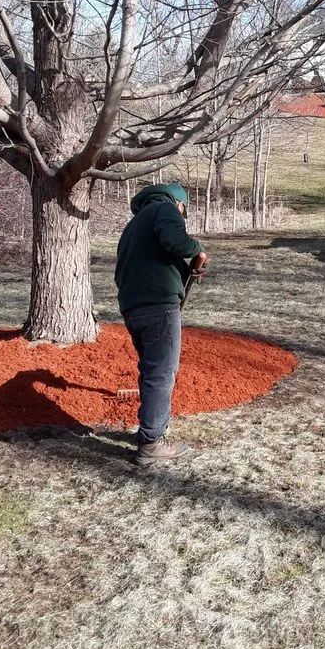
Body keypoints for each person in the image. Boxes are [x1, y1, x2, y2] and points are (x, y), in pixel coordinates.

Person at [115, 182, 207, 465]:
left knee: (152, 371)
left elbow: (152, 260)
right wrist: (198, 249)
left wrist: (186, 270)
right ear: (178, 203)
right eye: (184, 210)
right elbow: (175, 241)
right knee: (162, 373)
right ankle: (152, 443)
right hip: (159, 307)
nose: (182, 215)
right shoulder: (165, 209)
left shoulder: (133, 226)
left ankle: (151, 429)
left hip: (134, 307)